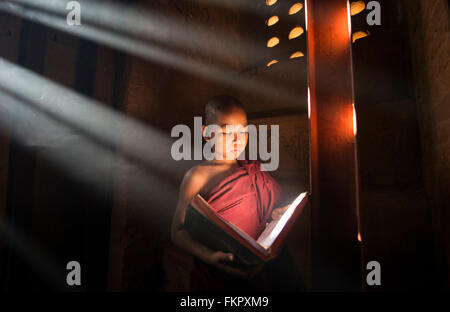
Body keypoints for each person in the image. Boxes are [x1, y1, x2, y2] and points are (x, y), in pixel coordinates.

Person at [170, 95, 290, 291]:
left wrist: (276, 214)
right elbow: (177, 232)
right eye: (227, 132)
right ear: (207, 133)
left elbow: (264, 211)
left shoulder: (253, 170)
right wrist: (209, 257)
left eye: (242, 131)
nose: (237, 139)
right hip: (214, 274)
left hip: (254, 273)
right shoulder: (198, 176)